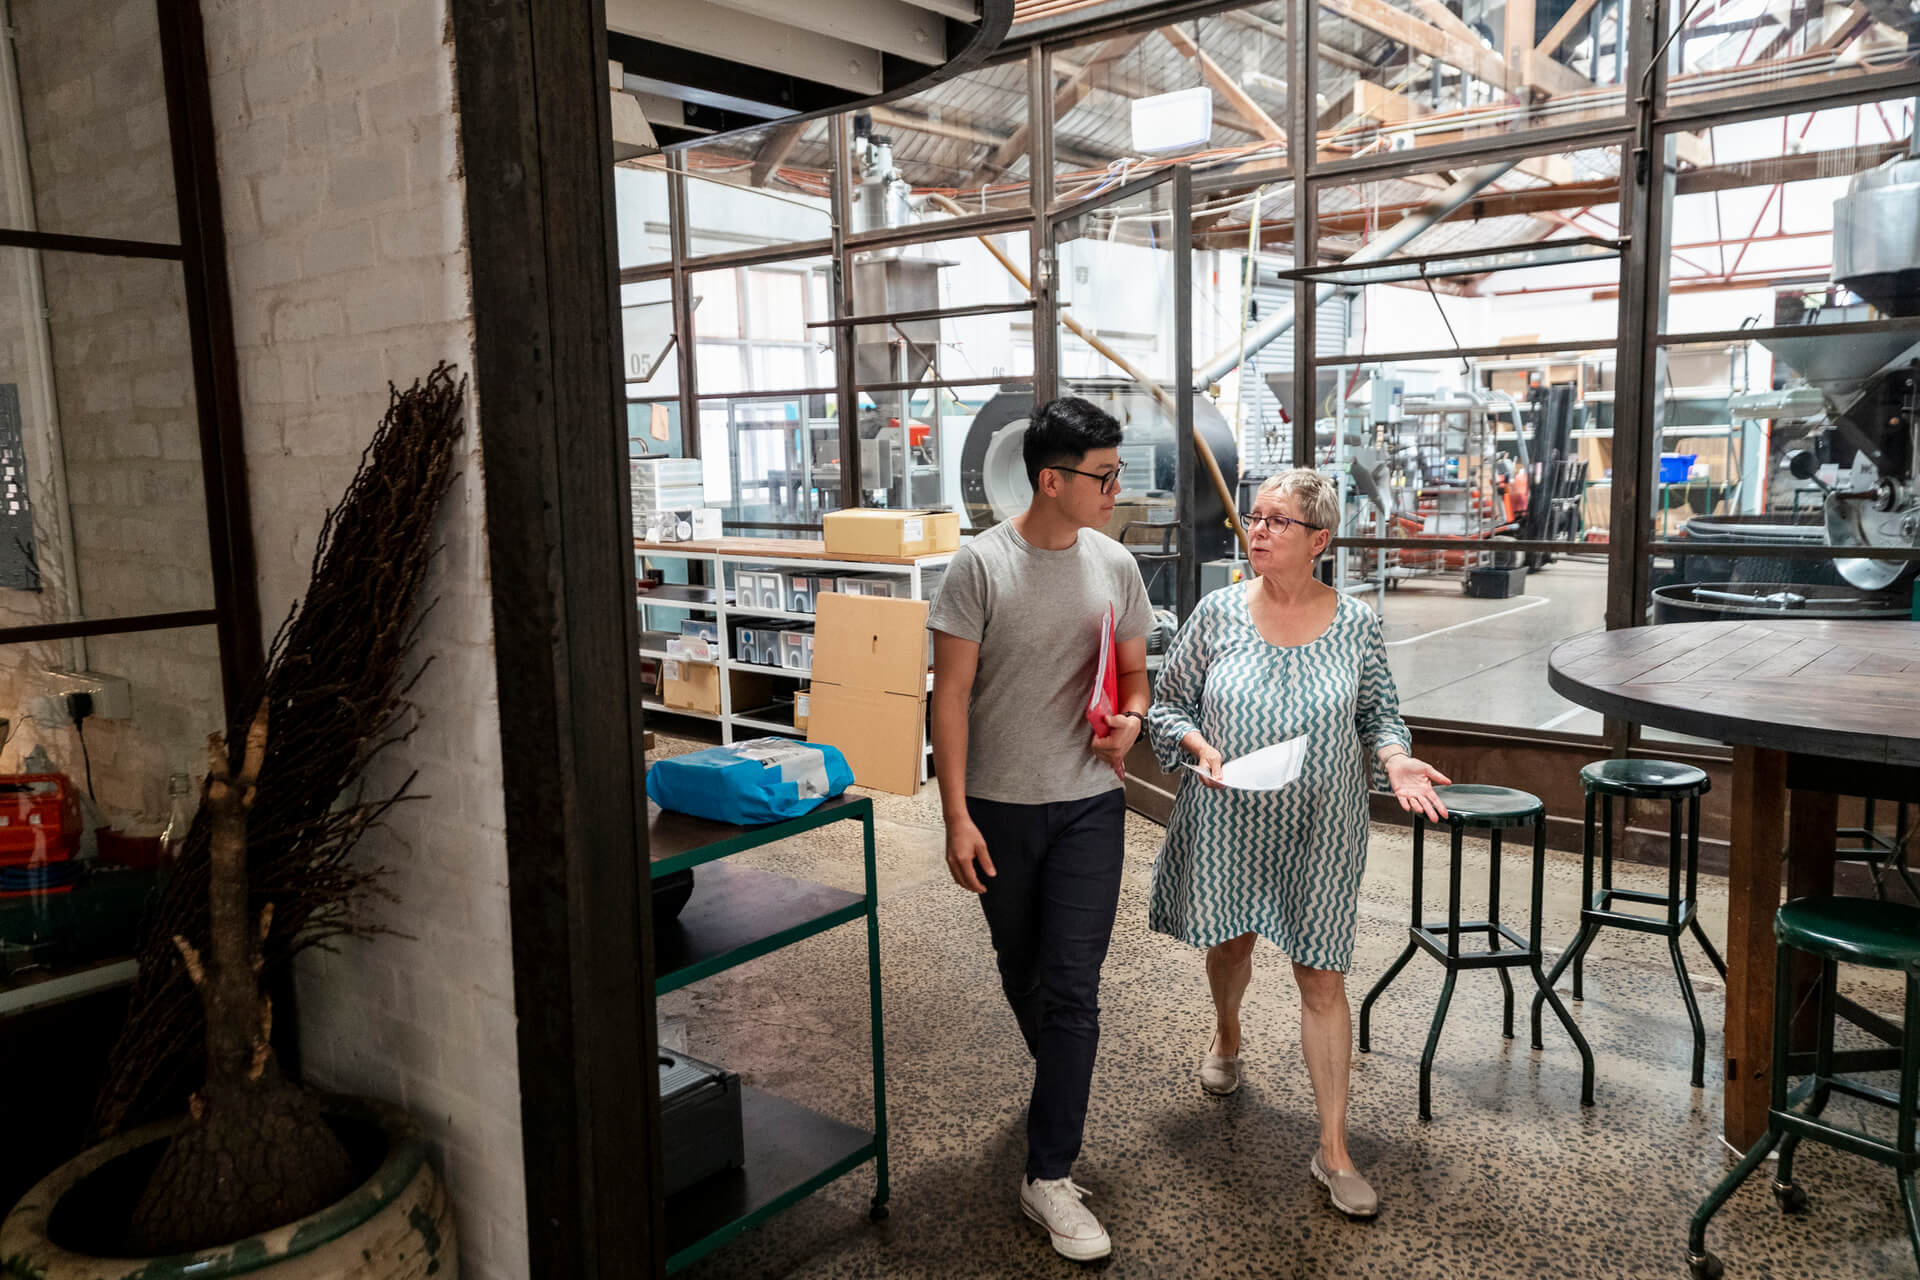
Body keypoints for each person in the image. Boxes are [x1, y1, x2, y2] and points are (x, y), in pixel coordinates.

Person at [1143, 468, 1450, 1220]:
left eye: (1278, 521)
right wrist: (1193, 743)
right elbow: (1169, 702)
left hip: (1321, 829)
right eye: (1255, 518)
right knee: (1235, 945)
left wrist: (1396, 756)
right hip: (1231, 817)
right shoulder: (1216, 613)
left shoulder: (1355, 623)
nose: (1259, 531)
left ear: (1319, 539)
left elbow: (1381, 717)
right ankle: (1227, 1034)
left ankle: (1334, 1149)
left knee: (1322, 978)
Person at [928, 395, 1153, 1263]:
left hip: (1091, 806)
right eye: (1103, 476)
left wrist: (1131, 720)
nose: (1116, 488)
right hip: (998, 810)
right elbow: (947, 698)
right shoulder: (979, 568)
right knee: (1022, 970)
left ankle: (1048, 1173)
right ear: (1051, 480)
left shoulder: (1115, 564)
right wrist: (955, 818)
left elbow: (1133, 675)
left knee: (1071, 988)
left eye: (1117, 472)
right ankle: (1058, 1084)